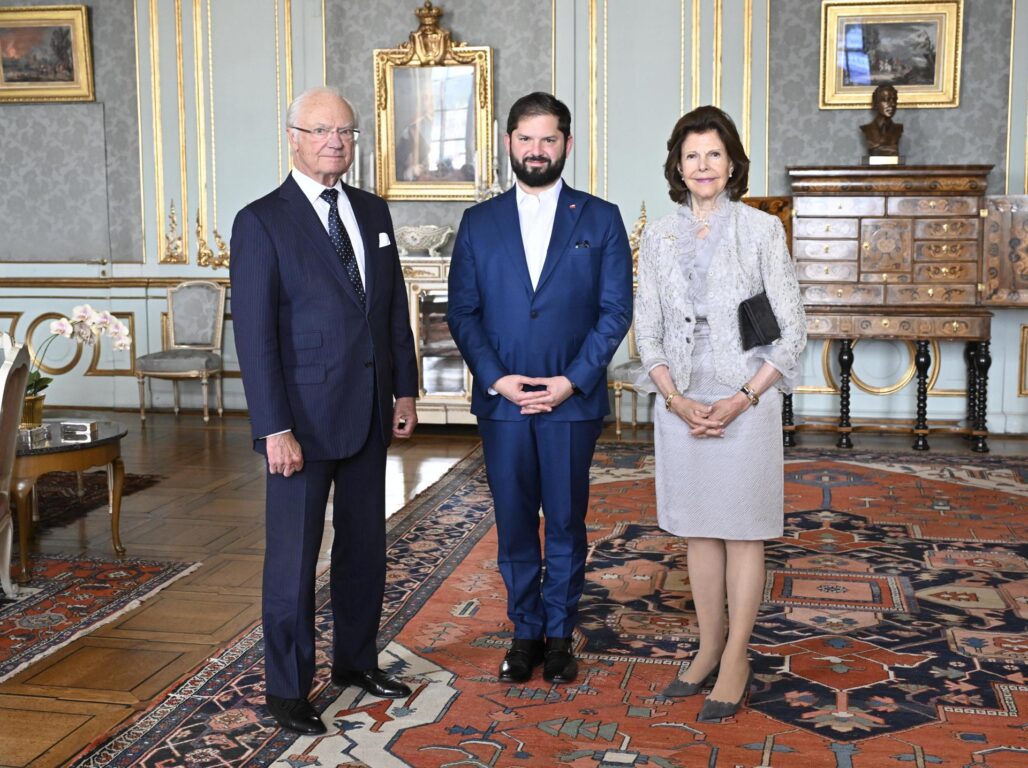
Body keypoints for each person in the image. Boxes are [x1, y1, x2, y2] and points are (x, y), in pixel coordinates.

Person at [230, 86, 419, 735]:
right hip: (300, 425)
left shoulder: (372, 209)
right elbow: (255, 336)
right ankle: (287, 689)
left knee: (365, 549)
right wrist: (272, 427)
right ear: (293, 137)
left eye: (344, 132)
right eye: (320, 131)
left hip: (368, 412)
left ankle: (355, 662)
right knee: (293, 561)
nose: (334, 142)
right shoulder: (262, 220)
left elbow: (390, 310)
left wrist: (406, 391)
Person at [447, 92, 633, 685]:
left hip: (569, 404)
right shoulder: (479, 222)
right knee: (514, 523)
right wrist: (497, 380)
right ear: (509, 143)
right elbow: (463, 313)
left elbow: (614, 312)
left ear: (567, 146)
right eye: (525, 139)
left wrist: (570, 382)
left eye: (548, 139)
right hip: (503, 403)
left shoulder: (600, 218)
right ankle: (523, 633)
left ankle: (559, 634)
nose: (536, 150)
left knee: (567, 523)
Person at [634, 105, 806, 720]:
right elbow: (646, 332)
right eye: (691, 156)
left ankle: (737, 655)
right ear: (677, 167)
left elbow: (790, 334)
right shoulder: (658, 236)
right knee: (699, 530)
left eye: (713, 154)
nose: (702, 166)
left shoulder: (761, 231)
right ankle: (707, 647)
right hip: (681, 404)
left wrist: (742, 398)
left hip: (746, 401)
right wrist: (676, 401)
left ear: (731, 162)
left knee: (743, 530)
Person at [860, 83, 903, 156]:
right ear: (875, 103)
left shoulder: (898, 129)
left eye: (894, 100)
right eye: (886, 100)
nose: (892, 104)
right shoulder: (867, 129)